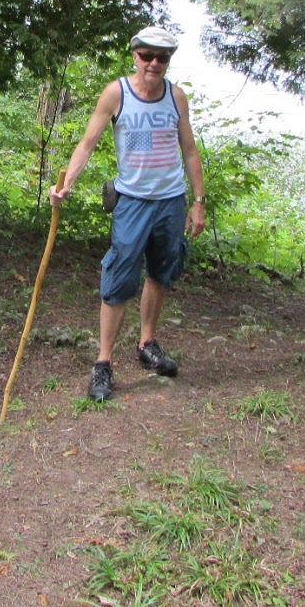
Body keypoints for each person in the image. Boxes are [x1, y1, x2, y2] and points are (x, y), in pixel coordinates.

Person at [49, 26, 207, 401]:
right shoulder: (116, 93)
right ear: (134, 55)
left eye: (162, 57)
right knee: (119, 278)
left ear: (169, 61)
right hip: (132, 201)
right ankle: (103, 363)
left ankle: (147, 343)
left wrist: (198, 201)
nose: (154, 63)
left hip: (170, 201)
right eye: (146, 55)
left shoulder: (176, 97)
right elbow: (87, 143)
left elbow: (189, 151)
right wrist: (65, 184)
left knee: (160, 273)